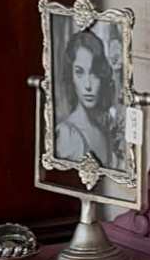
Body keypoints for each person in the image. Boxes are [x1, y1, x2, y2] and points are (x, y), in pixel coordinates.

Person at [51, 20, 129, 180]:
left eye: (94, 73)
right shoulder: (67, 135)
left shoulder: (103, 129)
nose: (88, 85)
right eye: (79, 72)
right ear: (71, 76)